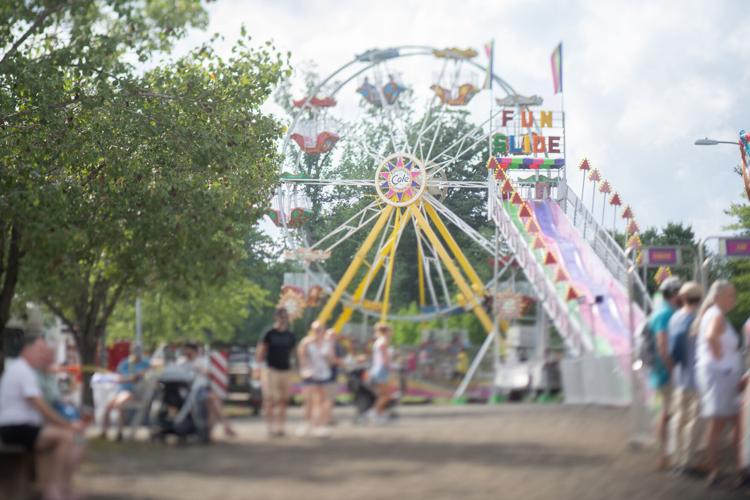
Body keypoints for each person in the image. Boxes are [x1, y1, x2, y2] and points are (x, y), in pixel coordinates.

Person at [0, 335, 86, 500]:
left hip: (21, 427)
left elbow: (44, 407)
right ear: (26, 350)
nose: (41, 355)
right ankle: (54, 490)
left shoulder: (23, 369)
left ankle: (60, 488)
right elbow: (40, 406)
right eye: (39, 351)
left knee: (74, 439)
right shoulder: (23, 371)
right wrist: (67, 425)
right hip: (14, 428)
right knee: (66, 438)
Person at [694, 280, 743, 486]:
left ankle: (716, 467)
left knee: (719, 424)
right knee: (731, 423)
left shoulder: (711, 314)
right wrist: (720, 357)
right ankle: (733, 468)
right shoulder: (716, 315)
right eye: (730, 295)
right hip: (722, 375)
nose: (734, 298)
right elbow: (711, 337)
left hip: (717, 375)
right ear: (718, 297)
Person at [667, 281, 703, 474]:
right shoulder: (698, 320)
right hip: (696, 378)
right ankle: (688, 461)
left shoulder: (674, 319)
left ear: (682, 298)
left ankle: (676, 458)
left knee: (678, 418)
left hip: (680, 376)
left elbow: (673, 349)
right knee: (693, 421)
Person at [648, 276, 683, 470]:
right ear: (674, 293)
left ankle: (664, 454)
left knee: (665, 412)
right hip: (665, 370)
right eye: (680, 292)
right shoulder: (665, 314)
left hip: (660, 369)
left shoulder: (662, 311)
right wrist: (672, 369)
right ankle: (663, 455)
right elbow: (663, 345)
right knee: (666, 413)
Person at [180, 343, 236, 438]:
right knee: (214, 402)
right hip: (189, 390)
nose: (186, 353)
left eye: (188, 350)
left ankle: (212, 430)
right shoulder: (182, 362)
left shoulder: (202, 361)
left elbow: (207, 372)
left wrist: (197, 367)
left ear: (195, 351)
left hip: (201, 389)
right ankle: (224, 427)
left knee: (213, 402)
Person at [255, 307, 296, 437]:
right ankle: (270, 427)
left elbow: (294, 352)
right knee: (270, 399)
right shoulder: (269, 333)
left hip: (286, 370)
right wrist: (257, 367)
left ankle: (281, 427)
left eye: (285, 316)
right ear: (276, 317)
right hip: (271, 369)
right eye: (281, 316)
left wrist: (296, 367)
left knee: (283, 400)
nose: (283, 318)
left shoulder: (290, 335)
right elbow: (261, 350)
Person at [99, 348, 151, 441]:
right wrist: (130, 378)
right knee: (108, 406)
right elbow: (119, 378)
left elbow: (153, 369)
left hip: (134, 392)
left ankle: (119, 433)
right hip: (121, 391)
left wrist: (139, 375)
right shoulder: (125, 363)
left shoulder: (145, 363)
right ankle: (104, 432)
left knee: (119, 404)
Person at [297, 321, 333, 437]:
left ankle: (320, 426)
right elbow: (302, 358)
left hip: (324, 374)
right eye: (315, 330)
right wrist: (305, 370)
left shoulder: (328, 343)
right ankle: (307, 424)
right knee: (308, 400)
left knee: (323, 401)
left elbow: (331, 359)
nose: (318, 332)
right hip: (310, 374)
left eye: (320, 329)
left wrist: (327, 357)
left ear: (324, 330)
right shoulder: (306, 342)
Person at [323, 328, 346, 426]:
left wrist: (333, 361)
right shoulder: (321, 345)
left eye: (333, 335)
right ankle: (325, 418)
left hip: (332, 375)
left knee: (330, 398)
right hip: (320, 376)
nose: (331, 337)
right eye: (329, 335)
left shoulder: (337, 347)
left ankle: (328, 418)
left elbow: (340, 362)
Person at [370, 322, 393, 423]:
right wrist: (390, 367)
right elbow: (385, 358)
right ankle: (374, 412)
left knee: (382, 394)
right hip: (382, 369)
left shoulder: (378, 341)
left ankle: (379, 414)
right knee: (385, 395)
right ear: (386, 331)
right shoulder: (383, 341)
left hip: (378, 369)